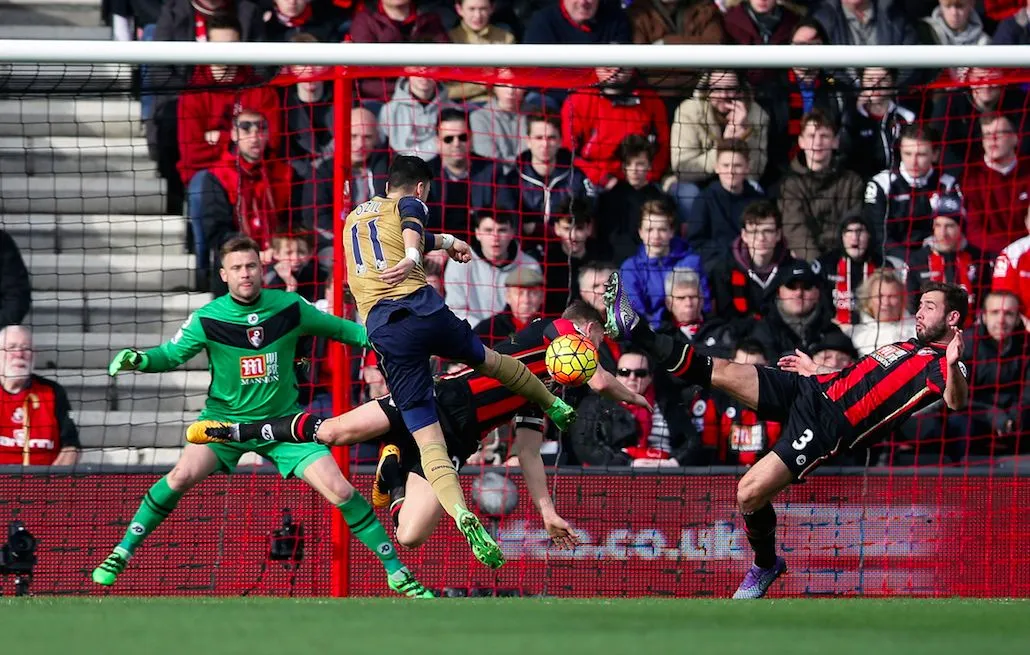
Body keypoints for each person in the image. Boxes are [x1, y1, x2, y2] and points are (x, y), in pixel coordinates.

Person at [90, 237, 432, 598]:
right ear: (224, 275)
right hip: (223, 424)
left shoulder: (289, 307)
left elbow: (347, 332)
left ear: (261, 267)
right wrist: (139, 360)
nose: (245, 274)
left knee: (341, 490)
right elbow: (171, 356)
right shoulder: (208, 318)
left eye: (251, 266)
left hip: (284, 426)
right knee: (180, 476)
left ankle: (397, 572)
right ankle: (121, 552)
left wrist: (398, 343)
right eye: (236, 268)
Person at [603, 271, 969, 599]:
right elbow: (861, 381)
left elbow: (956, 401)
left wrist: (953, 364)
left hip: (826, 426)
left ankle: (765, 564)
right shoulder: (906, 345)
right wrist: (818, 370)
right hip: (810, 389)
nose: (919, 312)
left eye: (930, 307)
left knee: (747, 493)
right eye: (920, 305)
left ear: (952, 318)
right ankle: (637, 329)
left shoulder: (944, 364)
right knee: (722, 370)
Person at [188, 302, 647, 551]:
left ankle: (396, 466)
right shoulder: (552, 328)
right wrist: (629, 393)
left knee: (409, 536)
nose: (592, 354)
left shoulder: (548, 394)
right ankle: (232, 429)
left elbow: (528, 452)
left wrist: (546, 511)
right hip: (438, 397)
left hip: (457, 440)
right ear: (586, 331)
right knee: (331, 433)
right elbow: (600, 375)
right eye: (596, 343)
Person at [333, 155, 576, 570]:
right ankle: (552, 404)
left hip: (390, 333)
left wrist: (446, 242)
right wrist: (415, 257)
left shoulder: (354, 219)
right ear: (422, 187)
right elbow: (411, 220)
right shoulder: (410, 203)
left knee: (379, 438)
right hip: (427, 313)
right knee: (491, 361)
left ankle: (459, 511)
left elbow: (406, 234)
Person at [0, 326, 79, 466]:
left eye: (26, 348)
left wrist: (49, 484)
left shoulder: (52, 391)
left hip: (43, 484)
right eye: (11, 347)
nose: (19, 354)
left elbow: (71, 448)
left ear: (34, 354)